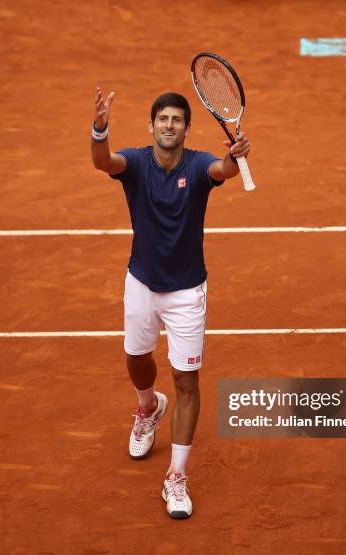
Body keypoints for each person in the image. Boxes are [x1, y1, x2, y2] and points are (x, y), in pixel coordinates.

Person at [91, 86, 250, 519]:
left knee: (187, 381)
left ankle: (176, 477)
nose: (169, 125)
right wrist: (100, 128)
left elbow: (222, 171)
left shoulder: (198, 164)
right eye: (163, 119)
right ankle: (148, 407)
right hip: (141, 282)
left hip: (186, 292)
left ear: (186, 128)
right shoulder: (137, 162)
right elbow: (103, 162)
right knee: (136, 358)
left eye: (177, 120)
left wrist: (234, 157)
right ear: (151, 125)